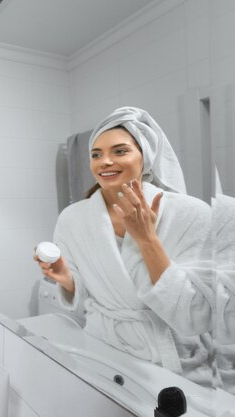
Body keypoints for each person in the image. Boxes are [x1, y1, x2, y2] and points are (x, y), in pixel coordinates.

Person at [34, 107, 216, 387]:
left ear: (146, 156)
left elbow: (197, 313)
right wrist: (68, 279)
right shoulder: (73, 218)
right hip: (102, 350)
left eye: (120, 151)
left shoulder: (192, 214)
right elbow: (83, 298)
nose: (104, 162)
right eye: (96, 154)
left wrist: (146, 239)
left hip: (174, 360)